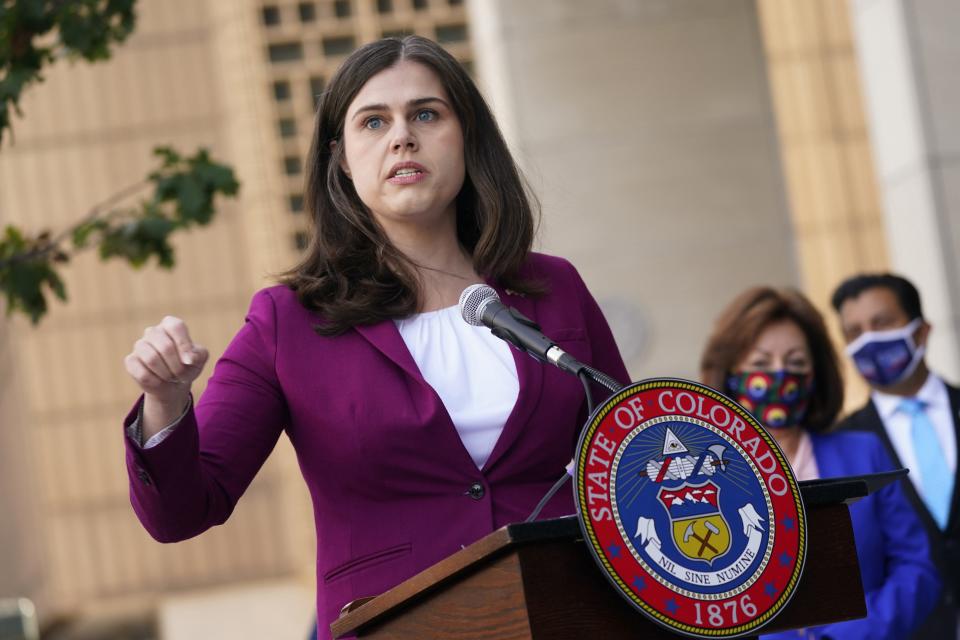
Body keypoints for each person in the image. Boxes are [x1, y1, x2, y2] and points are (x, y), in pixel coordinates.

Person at [121, 36, 628, 639]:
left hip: (572, 616)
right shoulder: (289, 321)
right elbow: (181, 511)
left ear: (467, 137)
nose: (402, 137)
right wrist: (166, 402)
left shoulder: (553, 286)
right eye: (373, 122)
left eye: (426, 114)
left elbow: (630, 461)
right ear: (340, 157)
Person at [701, 286, 938, 640]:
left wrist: (850, 634)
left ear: (815, 374)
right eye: (762, 364)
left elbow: (916, 568)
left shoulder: (863, 452)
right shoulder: (699, 476)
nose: (780, 375)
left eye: (795, 363)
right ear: (731, 374)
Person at [832, 273, 960, 639]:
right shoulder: (843, 443)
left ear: (922, 332)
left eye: (882, 323)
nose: (868, 340)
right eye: (854, 332)